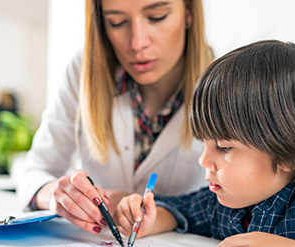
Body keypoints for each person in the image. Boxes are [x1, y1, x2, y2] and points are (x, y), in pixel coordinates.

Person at [115, 40, 295, 247]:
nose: (203, 160)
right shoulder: (231, 200)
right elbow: (185, 210)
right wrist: (153, 218)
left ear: (289, 151)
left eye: (224, 147)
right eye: (203, 143)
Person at [15, 0, 213, 235]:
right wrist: (56, 195)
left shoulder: (228, 85)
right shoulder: (83, 71)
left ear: (189, 12)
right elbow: (36, 170)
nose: (137, 43)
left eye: (157, 16)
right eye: (117, 22)